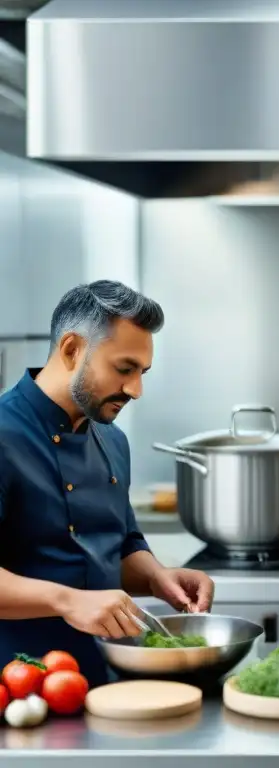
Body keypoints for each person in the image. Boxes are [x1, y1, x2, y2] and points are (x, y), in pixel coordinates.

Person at [0, 280, 215, 688]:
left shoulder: (112, 438)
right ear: (71, 350)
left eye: (142, 372)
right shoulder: (3, 435)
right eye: (124, 369)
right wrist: (66, 600)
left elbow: (118, 544)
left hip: (106, 677)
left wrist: (156, 576)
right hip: (20, 684)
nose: (136, 389)